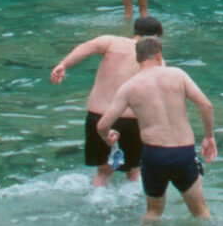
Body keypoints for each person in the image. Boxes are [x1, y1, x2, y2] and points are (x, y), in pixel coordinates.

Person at [95, 36, 216, 222]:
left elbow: (102, 124)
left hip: (154, 155)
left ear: (138, 58)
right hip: (183, 152)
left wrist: (107, 137)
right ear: (159, 54)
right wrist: (209, 137)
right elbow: (206, 106)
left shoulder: (129, 87)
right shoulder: (177, 75)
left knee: (153, 212)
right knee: (200, 210)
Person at [51, 16, 163, 186]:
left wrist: (63, 65)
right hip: (130, 120)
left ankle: (96, 203)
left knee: (102, 173)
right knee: (133, 173)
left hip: (99, 117)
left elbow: (84, 48)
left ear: (135, 31)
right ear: (155, 37)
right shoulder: (156, 60)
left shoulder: (110, 41)